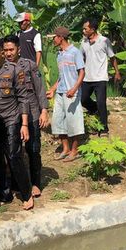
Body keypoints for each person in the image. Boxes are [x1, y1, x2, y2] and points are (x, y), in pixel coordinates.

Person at [0, 38, 34, 211]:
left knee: (14, 156)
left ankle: (26, 193)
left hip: (11, 118)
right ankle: (4, 194)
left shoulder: (15, 70)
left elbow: (23, 98)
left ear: (2, 53)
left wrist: (25, 124)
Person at [3, 34, 49, 198]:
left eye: (11, 49)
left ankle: (36, 183)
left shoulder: (29, 65)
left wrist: (44, 110)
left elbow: (39, 88)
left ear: (19, 50)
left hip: (32, 114)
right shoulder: (2, 69)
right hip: (12, 116)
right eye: (5, 50)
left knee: (33, 150)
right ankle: (17, 184)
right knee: (13, 152)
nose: (8, 53)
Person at [47, 27, 86, 162]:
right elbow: (61, 77)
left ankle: (74, 151)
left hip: (72, 93)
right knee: (58, 121)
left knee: (73, 122)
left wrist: (74, 89)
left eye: (54, 37)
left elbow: (82, 72)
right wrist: (53, 89)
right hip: (61, 92)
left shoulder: (75, 52)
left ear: (60, 37)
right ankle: (65, 149)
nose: (53, 40)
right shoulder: (59, 55)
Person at [80, 18, 120, 134]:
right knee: (83, 99)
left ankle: (104, 129)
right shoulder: (84, 43)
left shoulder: (104, 41)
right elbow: (81, 58)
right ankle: (94, 109)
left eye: (85, 29)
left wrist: (117, 72)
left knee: (101, 102)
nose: (83, 31)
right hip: (87, 77)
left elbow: (112, 57)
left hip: (100, 78)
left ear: (92, 29)